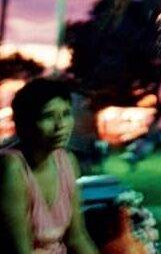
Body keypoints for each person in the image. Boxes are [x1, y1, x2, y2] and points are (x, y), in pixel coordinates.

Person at [0, 77, 98, 254]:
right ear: (25, 123)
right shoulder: (12, 167)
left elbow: (77, 238)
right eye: (48, 116)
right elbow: (20, 250)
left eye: (66, 114)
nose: (61, 125)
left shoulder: (67, 162)